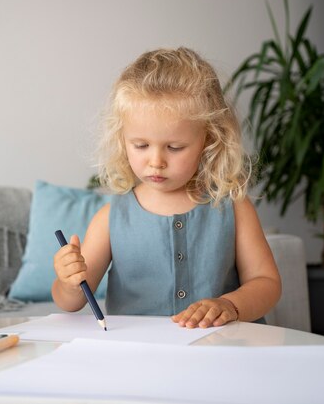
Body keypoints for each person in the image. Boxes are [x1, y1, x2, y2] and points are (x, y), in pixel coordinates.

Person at [52, 47, 281, 328]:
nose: (156, 161)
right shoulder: (110, 219)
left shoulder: (233, 206)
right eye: (141, 145)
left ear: (208, 140)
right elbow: (71, 303)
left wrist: (230, 305)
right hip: (142, 358)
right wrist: (68, 282)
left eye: (174, 147)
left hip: (223, 352)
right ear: (123, 140)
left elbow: (267, 283)